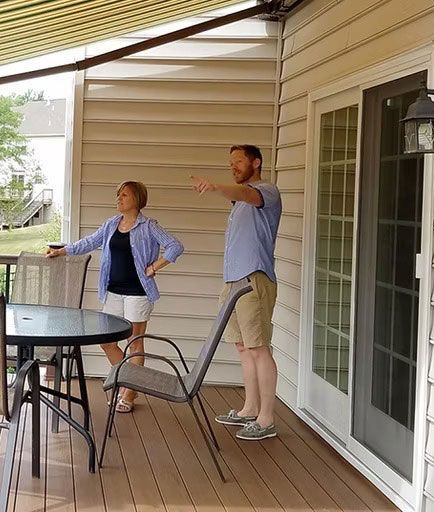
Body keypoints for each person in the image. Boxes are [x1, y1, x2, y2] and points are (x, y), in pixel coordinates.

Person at [46, 180, 183, 413]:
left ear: (137, 199)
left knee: (135, 343)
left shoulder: (149, 226)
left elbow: (175, 246)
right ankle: (129, 381)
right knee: (107, 341)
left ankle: (128, 393)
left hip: (138, 293)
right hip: (113, 292)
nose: (119, 198)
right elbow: (90, 242)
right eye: (118, 194)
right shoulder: (111, 224)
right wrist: (62, 251)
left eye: (124, 195)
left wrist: (154, 267)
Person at [191, 144, 282, 441]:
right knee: (243, 346)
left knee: (258, 348)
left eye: (239, 161)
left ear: (256, 162)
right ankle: (250, 408)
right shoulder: (239, 202)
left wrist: (215, 187)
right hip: (232, 282)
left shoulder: (266, 191)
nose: (233, 166)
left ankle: (266, 419)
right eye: (230, 162)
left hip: (253, 279)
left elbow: (245, 193)